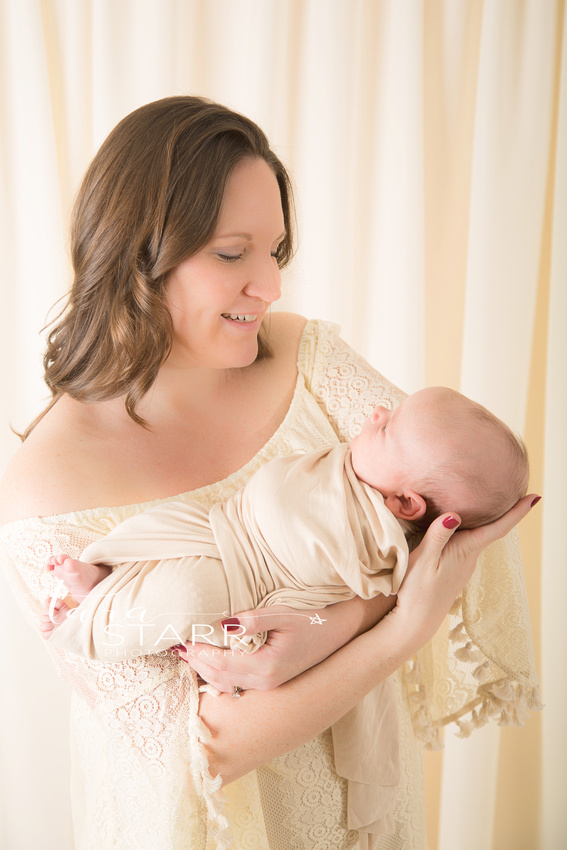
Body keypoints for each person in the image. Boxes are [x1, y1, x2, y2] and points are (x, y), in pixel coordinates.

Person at [0, 96, 540, 849]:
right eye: (231, 253)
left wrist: (333, 624)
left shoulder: (305, 359)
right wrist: (399, 625)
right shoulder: (46, 490)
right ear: (135, 253)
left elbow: (457, 509)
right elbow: (198, 750)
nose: (270, 286)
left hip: (361, 807)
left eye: (275, 252)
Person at [39, 386, 529, 664]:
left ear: (404, 503)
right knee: (155, 526)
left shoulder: (383, 539)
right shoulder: (353, 463)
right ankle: (108, 573)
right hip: (224, 525)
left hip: (248, 584)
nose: (376, 411)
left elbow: (368, 588)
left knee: (183, 597)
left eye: (387, 426)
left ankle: (89, 625)